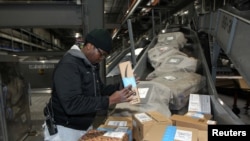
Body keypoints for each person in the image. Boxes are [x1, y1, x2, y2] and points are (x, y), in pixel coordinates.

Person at [43, 28, 135, 141]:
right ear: (89, 46)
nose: (101, 59)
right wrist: (110, 100)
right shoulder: (69, 65)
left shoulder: (90, 65)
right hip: (65, 130)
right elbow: (72, 104)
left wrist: (122, 86)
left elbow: (99, 90)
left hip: (83, 126)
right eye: (101, 54)